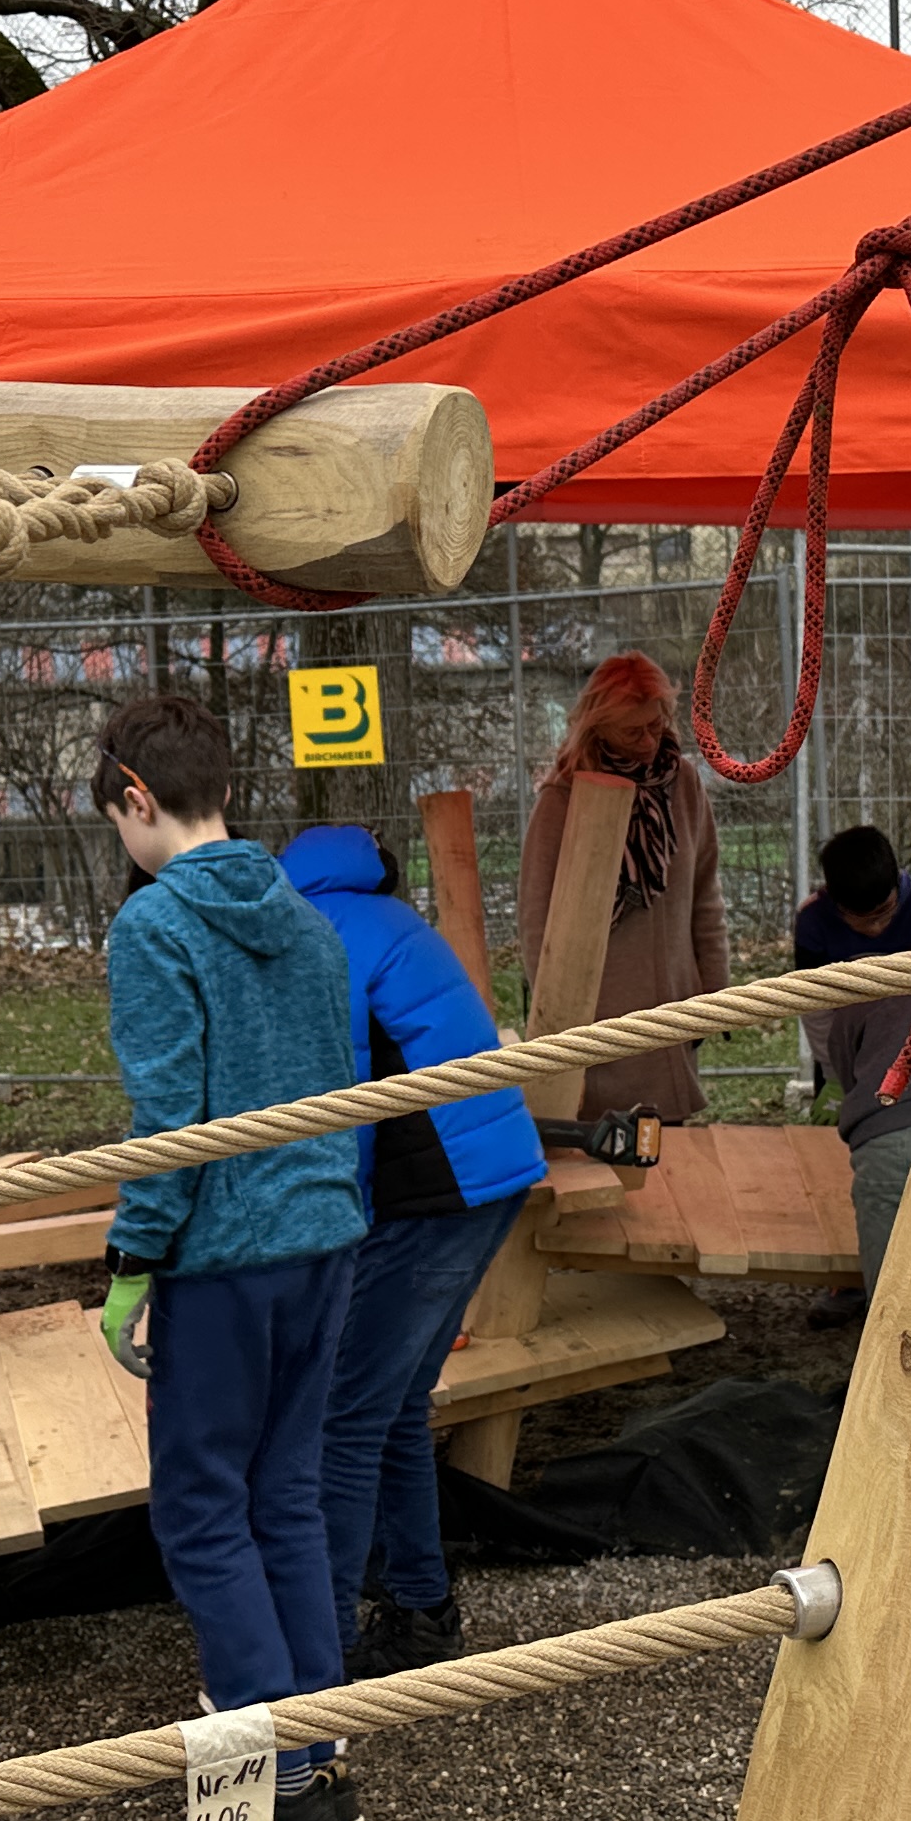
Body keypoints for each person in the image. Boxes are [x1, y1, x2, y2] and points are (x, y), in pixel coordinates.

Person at [90, 694, 376, 1821]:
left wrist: (131, 1262)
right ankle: (320, 1750)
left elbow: (171, 1117)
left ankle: (273, 1801)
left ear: (136, 800)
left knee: (203, 1513)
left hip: (224, 1252)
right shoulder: (308, 919)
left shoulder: (154, 926)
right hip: (326, 1234)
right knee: (286, 1498)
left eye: (115, 819)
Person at [276, 821, 543, 1675]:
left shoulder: (321, 938)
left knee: (343, 1418)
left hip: (434, 1193)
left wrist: (333, 1237)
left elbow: (344, 1114)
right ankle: (422, 1611)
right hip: (486, 1178)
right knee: (391, 1411)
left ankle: (321, 1653)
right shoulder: (388, 918)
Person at [515, 653, 725, 1121]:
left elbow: (705, 895)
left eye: (656, 725)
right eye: (632, 732)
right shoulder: (561, 800)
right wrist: (561, 1019)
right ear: (598, 728)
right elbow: (535, 923)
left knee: (671, 1147)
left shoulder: (682, 783)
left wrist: (713, 990)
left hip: (675, 1009)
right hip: (598, 1021)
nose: (649, 742)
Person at [788, 824, 911, 1312]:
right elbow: (814, 1008)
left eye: (883, 915)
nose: (876, 930)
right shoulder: (812, 921)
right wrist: (837, 1077)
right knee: (842, 1161)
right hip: (844, 1052)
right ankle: (849, 1275)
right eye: (861, 921)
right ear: (834, 902)